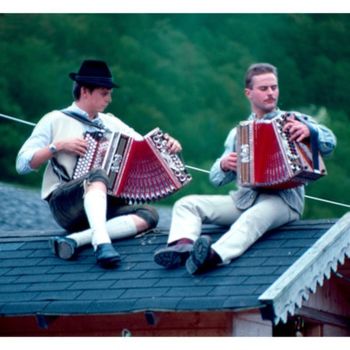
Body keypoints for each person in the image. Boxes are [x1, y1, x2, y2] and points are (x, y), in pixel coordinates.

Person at [154, 62, 336, 275]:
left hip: (284, 201)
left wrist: (310, 130)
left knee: (252, 218)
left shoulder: (295, 120)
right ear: (248, 93)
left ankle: (213, 256)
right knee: (187, 204)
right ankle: (182, 246)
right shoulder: (238, 133)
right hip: (245, 199)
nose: (271, 93)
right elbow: (216, 177)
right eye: (264, 88)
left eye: (274, 87)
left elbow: (330, 143)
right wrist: (224, 165)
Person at [16, 59, 182, 268]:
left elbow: (145, 147)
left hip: (104, 207)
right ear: (85, 91)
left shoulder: (110, 122)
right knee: (97, 174)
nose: (110, 99)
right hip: (66, 203)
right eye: (105, 93)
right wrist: (57, 146)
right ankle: (102, 244)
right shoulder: (54, 119)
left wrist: (168, 145)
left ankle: (77, 240)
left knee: (149, 214)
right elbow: (22, 164)